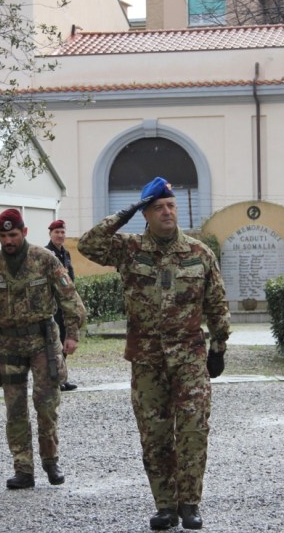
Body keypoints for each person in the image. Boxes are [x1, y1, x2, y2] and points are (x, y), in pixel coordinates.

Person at [78, 176, 231, 531]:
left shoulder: (198, 253)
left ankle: (189, 503)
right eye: (158, 207)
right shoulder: (128, 249)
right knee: (155, 434)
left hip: (190, 356)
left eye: (171, 206)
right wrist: (125, 212)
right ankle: (165, 506)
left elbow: (217, 304)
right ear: (145, 214)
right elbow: (88, 244)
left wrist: (219, 347)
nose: (167, 212)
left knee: (193, 430)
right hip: (147, 359)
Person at [0, 208, 86, 490]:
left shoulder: (44, 260)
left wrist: (72, 335)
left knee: (46, 405)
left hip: (43, 343)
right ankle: (23, 468)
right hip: (9, 346)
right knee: (15, 409)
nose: (8, 241)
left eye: (13, 235)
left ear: (25, 232)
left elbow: (69, 298)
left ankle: (51, 460)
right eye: (3, 236)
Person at [45, 219, 78, 391]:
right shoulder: (46, 254)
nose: (60, 235)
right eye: (56, 232)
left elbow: (70, 279)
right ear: (50, 234)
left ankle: (62, 378)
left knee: (66, 340)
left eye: (62, 232)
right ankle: (55, 380)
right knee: (54, 343)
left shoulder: (66, 254)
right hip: (53, 306)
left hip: (65, 306)